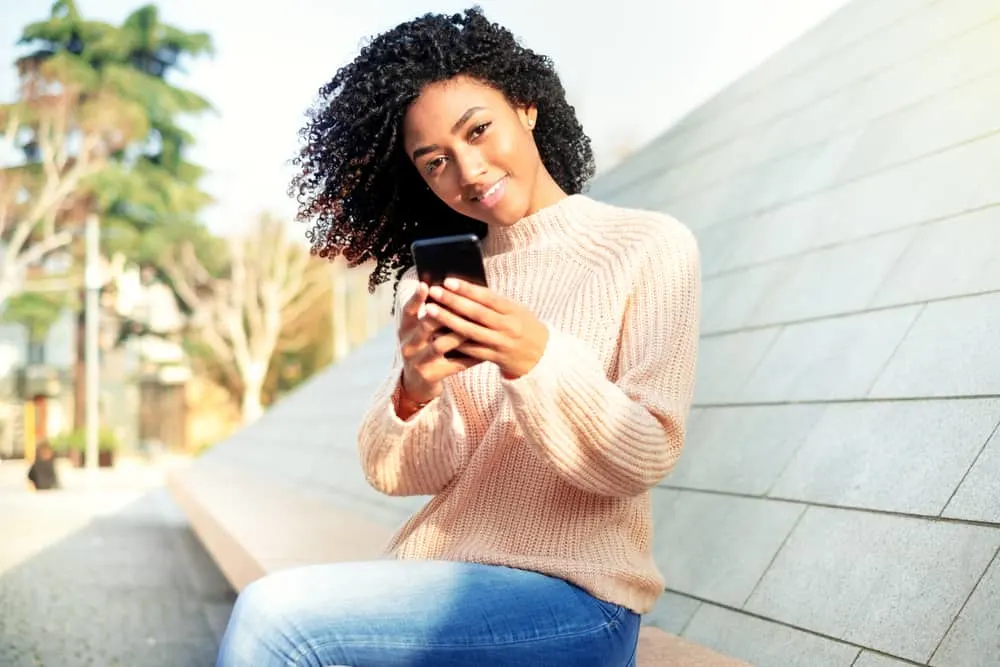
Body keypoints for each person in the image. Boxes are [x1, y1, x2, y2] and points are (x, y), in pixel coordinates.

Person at [216, 8, 700, 667]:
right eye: (435, 161)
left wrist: (538, 359)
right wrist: (415, 390)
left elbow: (643, 455)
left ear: (526, 107)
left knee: (276, 619)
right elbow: (401, 472)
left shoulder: (647, 247)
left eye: (479, 130)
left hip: (578, 599)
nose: (467, 170)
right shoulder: (445, 280)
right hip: (443, 577)